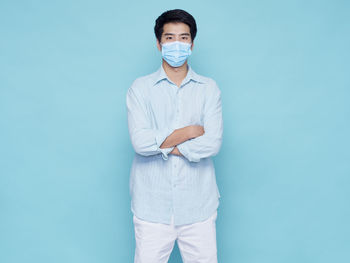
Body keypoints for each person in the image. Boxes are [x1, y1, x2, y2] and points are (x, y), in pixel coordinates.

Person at [126, 9, 223, 263]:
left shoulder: (208, 89)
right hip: (152, 207)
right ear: (159, 44)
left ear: (192, 43)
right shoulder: (140, 89)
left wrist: (163, 144)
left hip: (198, 206)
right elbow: (140, 142)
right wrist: (188, 133)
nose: (177, 44)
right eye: (170, 38)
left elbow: (212, 144)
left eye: (183, 37)